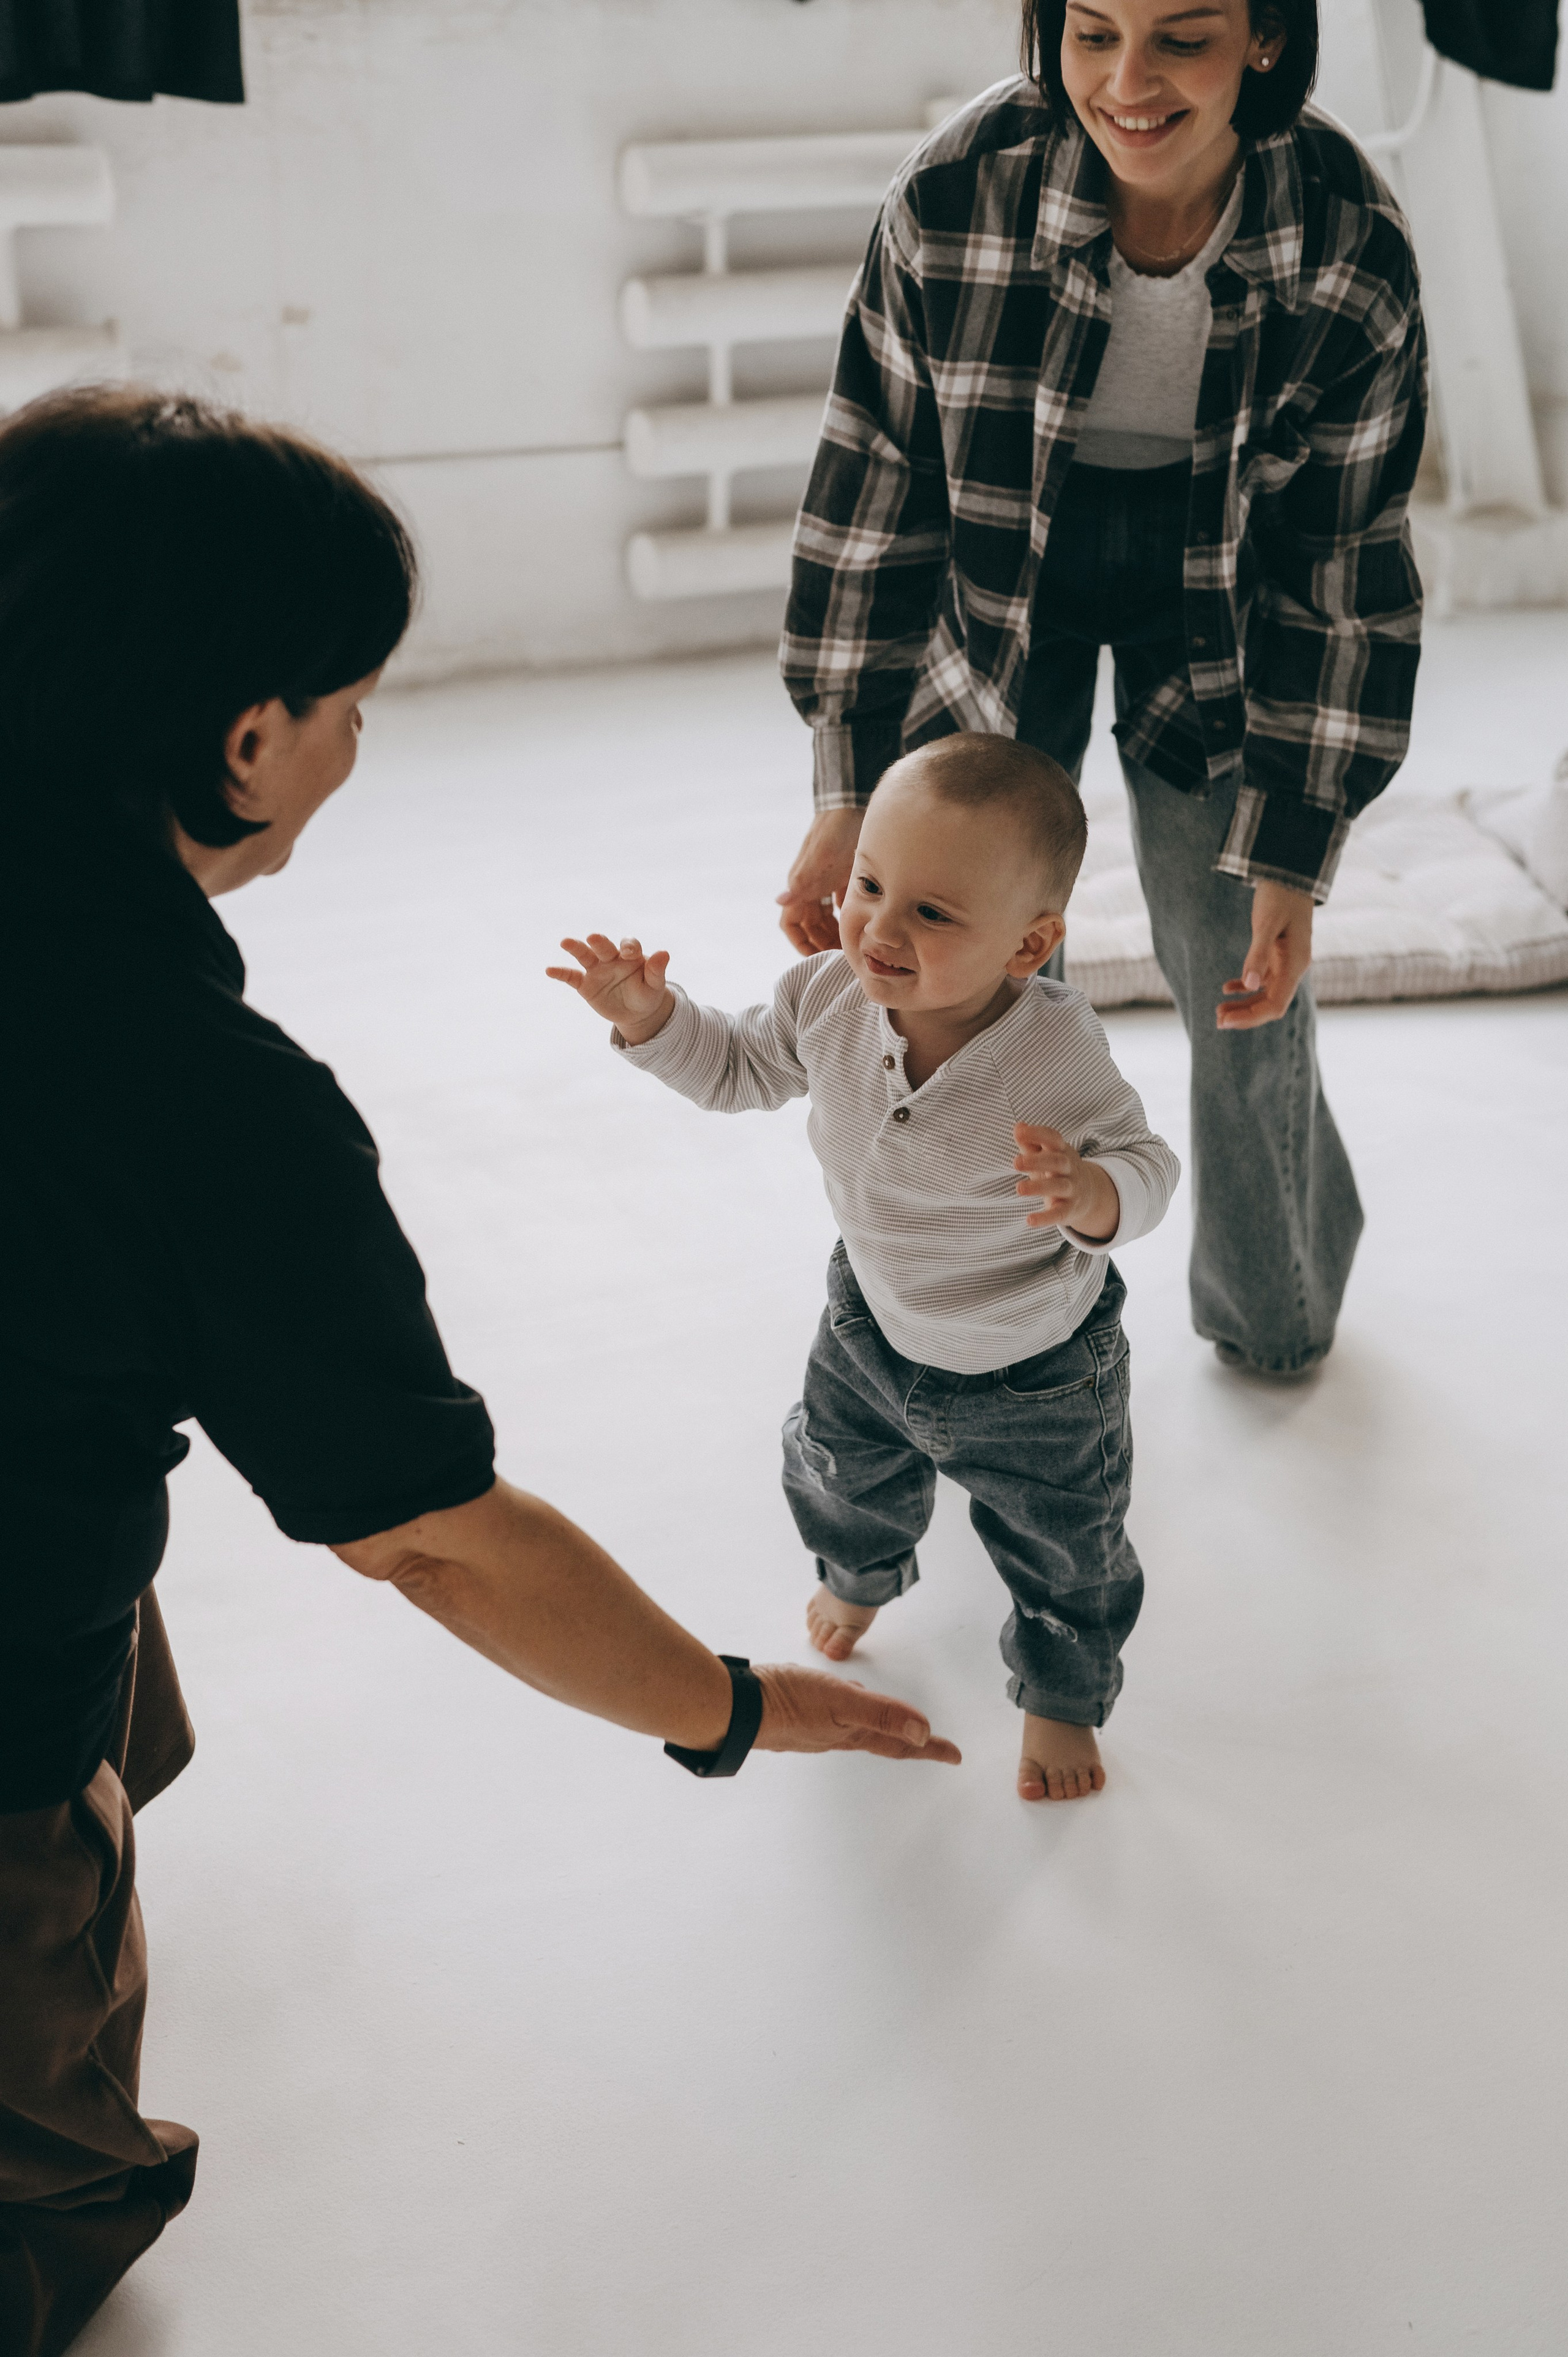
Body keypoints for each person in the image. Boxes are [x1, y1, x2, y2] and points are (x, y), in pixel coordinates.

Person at [0, 388, 961, 2357]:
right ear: (245, 738)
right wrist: (716, 1704)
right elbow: (431, 1535)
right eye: (355, 703)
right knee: (43, 2198)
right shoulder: (199, 1101)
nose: (360, 747)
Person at [778, 0, 1427, 1379]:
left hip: (1228, 594)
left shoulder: (1344, 236)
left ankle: (1273, 1304)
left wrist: (1295, 853)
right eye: (1089, 33)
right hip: (1000, 564)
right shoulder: (958, 193)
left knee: (1239, 960)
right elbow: (872, 492)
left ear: (1261, 38)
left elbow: (1342, 559)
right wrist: (848, 794)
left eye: (1180, 40)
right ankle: (978, 1304)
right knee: (970, 962)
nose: (1125, 84)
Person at [549, 734, 1178, 1803]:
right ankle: (861, 1572)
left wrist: (1093, 1194)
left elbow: (1150, 1164)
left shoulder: (1053, 1054)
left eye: (932, 913)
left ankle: (1064, 1695)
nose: (880, 928)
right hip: (870, 1326)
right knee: (838, 1477)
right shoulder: (827, 996)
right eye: (869, 884)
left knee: (1068, 1549)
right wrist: (654, 1021)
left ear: (1029, 947)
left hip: (1037, 1371)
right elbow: (741, 1066)